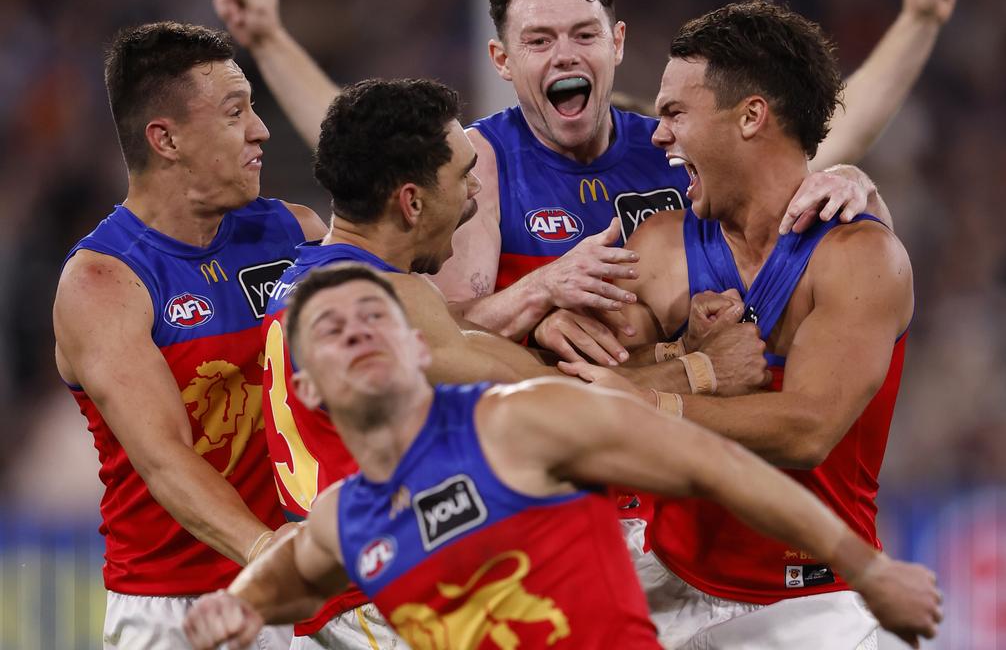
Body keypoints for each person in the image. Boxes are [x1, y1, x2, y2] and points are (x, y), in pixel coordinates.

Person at [212, 0, 962, 363]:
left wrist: (918, 26)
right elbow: (427, 311)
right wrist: (541, 292)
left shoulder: (676, 147)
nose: (565, 54)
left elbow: (827, 133)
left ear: (618, 45)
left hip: (665, 469)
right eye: (539, 42)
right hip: (540, 479)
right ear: (503, 61)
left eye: (583, 33)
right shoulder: (480, 165)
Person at [182, 263, 943, 650]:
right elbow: (289, 575)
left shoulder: (523, 422)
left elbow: (713, 466)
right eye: (332, 329)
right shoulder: (346, 518)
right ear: (309, 389)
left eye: (373, 315)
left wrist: (867, 569)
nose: (355, 330)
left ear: (420, 347)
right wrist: (239, 606)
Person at [260, 76, 766, 648]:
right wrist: (703, 372)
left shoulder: (320, 278)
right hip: (385, 612)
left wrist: (676, 351)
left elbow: (531, 374)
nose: (474, 192)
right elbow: (561, 408)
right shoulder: (376, 305)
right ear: (412, 201)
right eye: (461, 176)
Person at [554, 0, 923, 648]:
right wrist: (694, 364)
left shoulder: (859, 258)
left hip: (818, 606)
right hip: (668, 595)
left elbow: (808, 429)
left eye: (675, 114)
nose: (659, 136)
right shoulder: (660, 249)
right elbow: (578, 384)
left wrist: (653, 402)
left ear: (751, 116)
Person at [52, 22, 326, 649]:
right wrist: (269, 550)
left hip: (300, 593)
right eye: (236, 112)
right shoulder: (103, 281)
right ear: (165, 138)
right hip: (173, 607)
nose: (260, 129)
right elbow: (164, 457)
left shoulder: (296, 233)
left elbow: (411, 322)